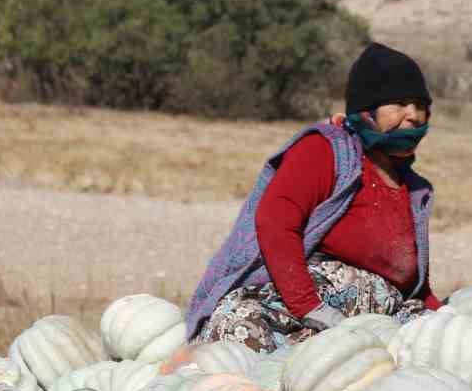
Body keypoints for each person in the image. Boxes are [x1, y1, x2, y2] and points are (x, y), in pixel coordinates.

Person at [185, 42, 443, 350]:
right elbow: (274, 221)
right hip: (305, 306)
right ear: (367, 111)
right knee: (237, 329)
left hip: (382, 322)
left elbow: (416, 283)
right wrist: (309, 307)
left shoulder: (415, 191)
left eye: (420, 104)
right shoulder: (325, 152)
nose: (414, 115)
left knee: (440, 350)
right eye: (399, 103)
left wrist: (443, 315)